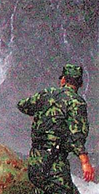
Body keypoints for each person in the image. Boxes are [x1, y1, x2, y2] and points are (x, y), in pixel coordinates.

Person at [18, 64, 95, 193]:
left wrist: (41, 115)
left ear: (63, 80)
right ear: (80, 84)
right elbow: (77, 135)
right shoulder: (76, 102)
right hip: (54, 164)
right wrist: (85, 162)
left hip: (35, 161)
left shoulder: (46, 94)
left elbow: (23, 105)